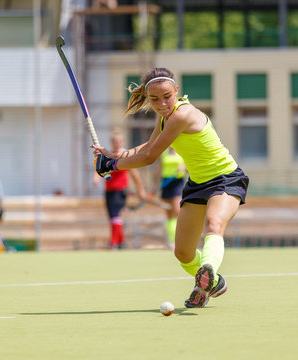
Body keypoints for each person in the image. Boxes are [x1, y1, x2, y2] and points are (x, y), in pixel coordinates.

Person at [93, 67, 249, 308]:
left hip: (226, 178)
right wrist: (114, 154)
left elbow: (149, 157)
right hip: (197, 184)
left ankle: (207, 271)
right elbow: (149, 145)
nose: (162, 103)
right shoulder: (165, 116)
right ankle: (212, 282)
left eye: (167, 96)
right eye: (154, 99)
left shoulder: (182, 115)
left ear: (176, 90)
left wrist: (112, 165)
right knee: (183, 254)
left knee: (215, 225)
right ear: (148, 98)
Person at [93, 129, 147, 249]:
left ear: (122, 142)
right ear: (112, 142)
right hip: (109, 190)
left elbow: (134, 174)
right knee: (112, 216)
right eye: (114, 141)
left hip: (120, 190)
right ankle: (121, 241)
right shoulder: (109, 155)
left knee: (115, 215)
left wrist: (141, 190)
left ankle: (113, 242)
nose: (117, 143)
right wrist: (96, 178)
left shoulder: (125, 156)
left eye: (119, 141)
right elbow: (98, 168)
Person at [156, 147, 187, 250]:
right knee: (169, 214)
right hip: (166, 184)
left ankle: (182, 239)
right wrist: (153, 188)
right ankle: (172, 241)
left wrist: (184, 167)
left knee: (177, 211)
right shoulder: (164, 153)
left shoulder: (182, 151)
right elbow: (159, 170)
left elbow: (190, 166)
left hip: (177, 183)